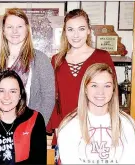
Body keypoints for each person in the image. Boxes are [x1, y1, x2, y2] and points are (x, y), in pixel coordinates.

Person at [46, 9, 116, 153]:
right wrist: (57, 128)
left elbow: (112, 93)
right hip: (65, 130)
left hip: (96, 130)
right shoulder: (56, 60)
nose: (76, 35)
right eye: (70, 29)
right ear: (65, 32)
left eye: (81, 29)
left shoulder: (102, 57)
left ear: (89, 31)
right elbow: (52, 98)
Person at [0, 8, 55, 124]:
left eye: (19, 26)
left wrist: (38, 126)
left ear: (27, 29)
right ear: (3, 30)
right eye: (10, 27)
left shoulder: (40, 59)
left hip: (29, 126)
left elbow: (48, 97)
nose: (15, 31)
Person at [57, 63, 135, 164]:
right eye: (94, 85)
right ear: (85, 89)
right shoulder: (69, 125)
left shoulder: (127, 124)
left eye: (107, 86)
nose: (101, 92)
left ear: (113, 89)